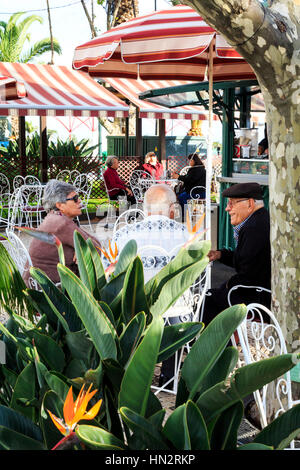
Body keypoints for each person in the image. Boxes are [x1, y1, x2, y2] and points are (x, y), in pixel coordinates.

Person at [113, 184, 190, 388]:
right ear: (173, 208)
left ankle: (133, 375)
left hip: (134, 311)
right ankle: (169, 377)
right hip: (177, 310)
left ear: (145, 209)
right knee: (179, 303)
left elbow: (112, 274)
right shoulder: (187, 235)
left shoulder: (123, 235)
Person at [202, 182, 271, 326]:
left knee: (207, 299)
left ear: (250, 204)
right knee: (213, 294)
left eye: (232, 203)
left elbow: (248, 275)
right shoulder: (258, 219)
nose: (227, 208)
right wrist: (220, 255)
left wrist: (229, 284)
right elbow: (246, 259)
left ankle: (215, 346)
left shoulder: (254, 228)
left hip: (258, 298)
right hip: (256, 291)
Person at [23, 179, 102, 286]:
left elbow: (93, 244)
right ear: (60, 205)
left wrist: (79, 248)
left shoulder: (53, 218)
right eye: (74, 199)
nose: (79, 201)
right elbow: (97, 249)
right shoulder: (61, 223)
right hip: (52, 291)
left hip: (37, 285)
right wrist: (81, 248)